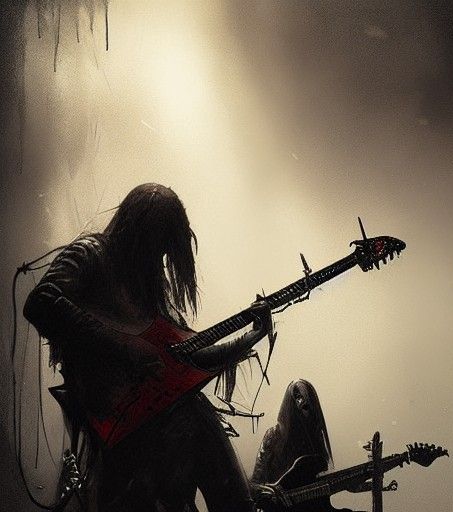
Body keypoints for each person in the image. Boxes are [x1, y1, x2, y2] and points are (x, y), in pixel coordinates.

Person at [24, 183, 272, 512]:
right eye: (157, 247)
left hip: (163, 429)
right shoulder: (90, 253)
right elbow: (40, 302)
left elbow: (183, 360)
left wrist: (249, 338)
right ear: (140, 233)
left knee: (200, 428)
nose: (159, 259)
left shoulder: (149, 288)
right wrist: (125, 346)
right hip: (119, 436)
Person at [251, 379, 333, 486]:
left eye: (308, 405)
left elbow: (322, 471)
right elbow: (257, 480)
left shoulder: (315, 434)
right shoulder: (273, 435)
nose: (302, 403)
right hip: (277, 495)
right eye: (297, 398)